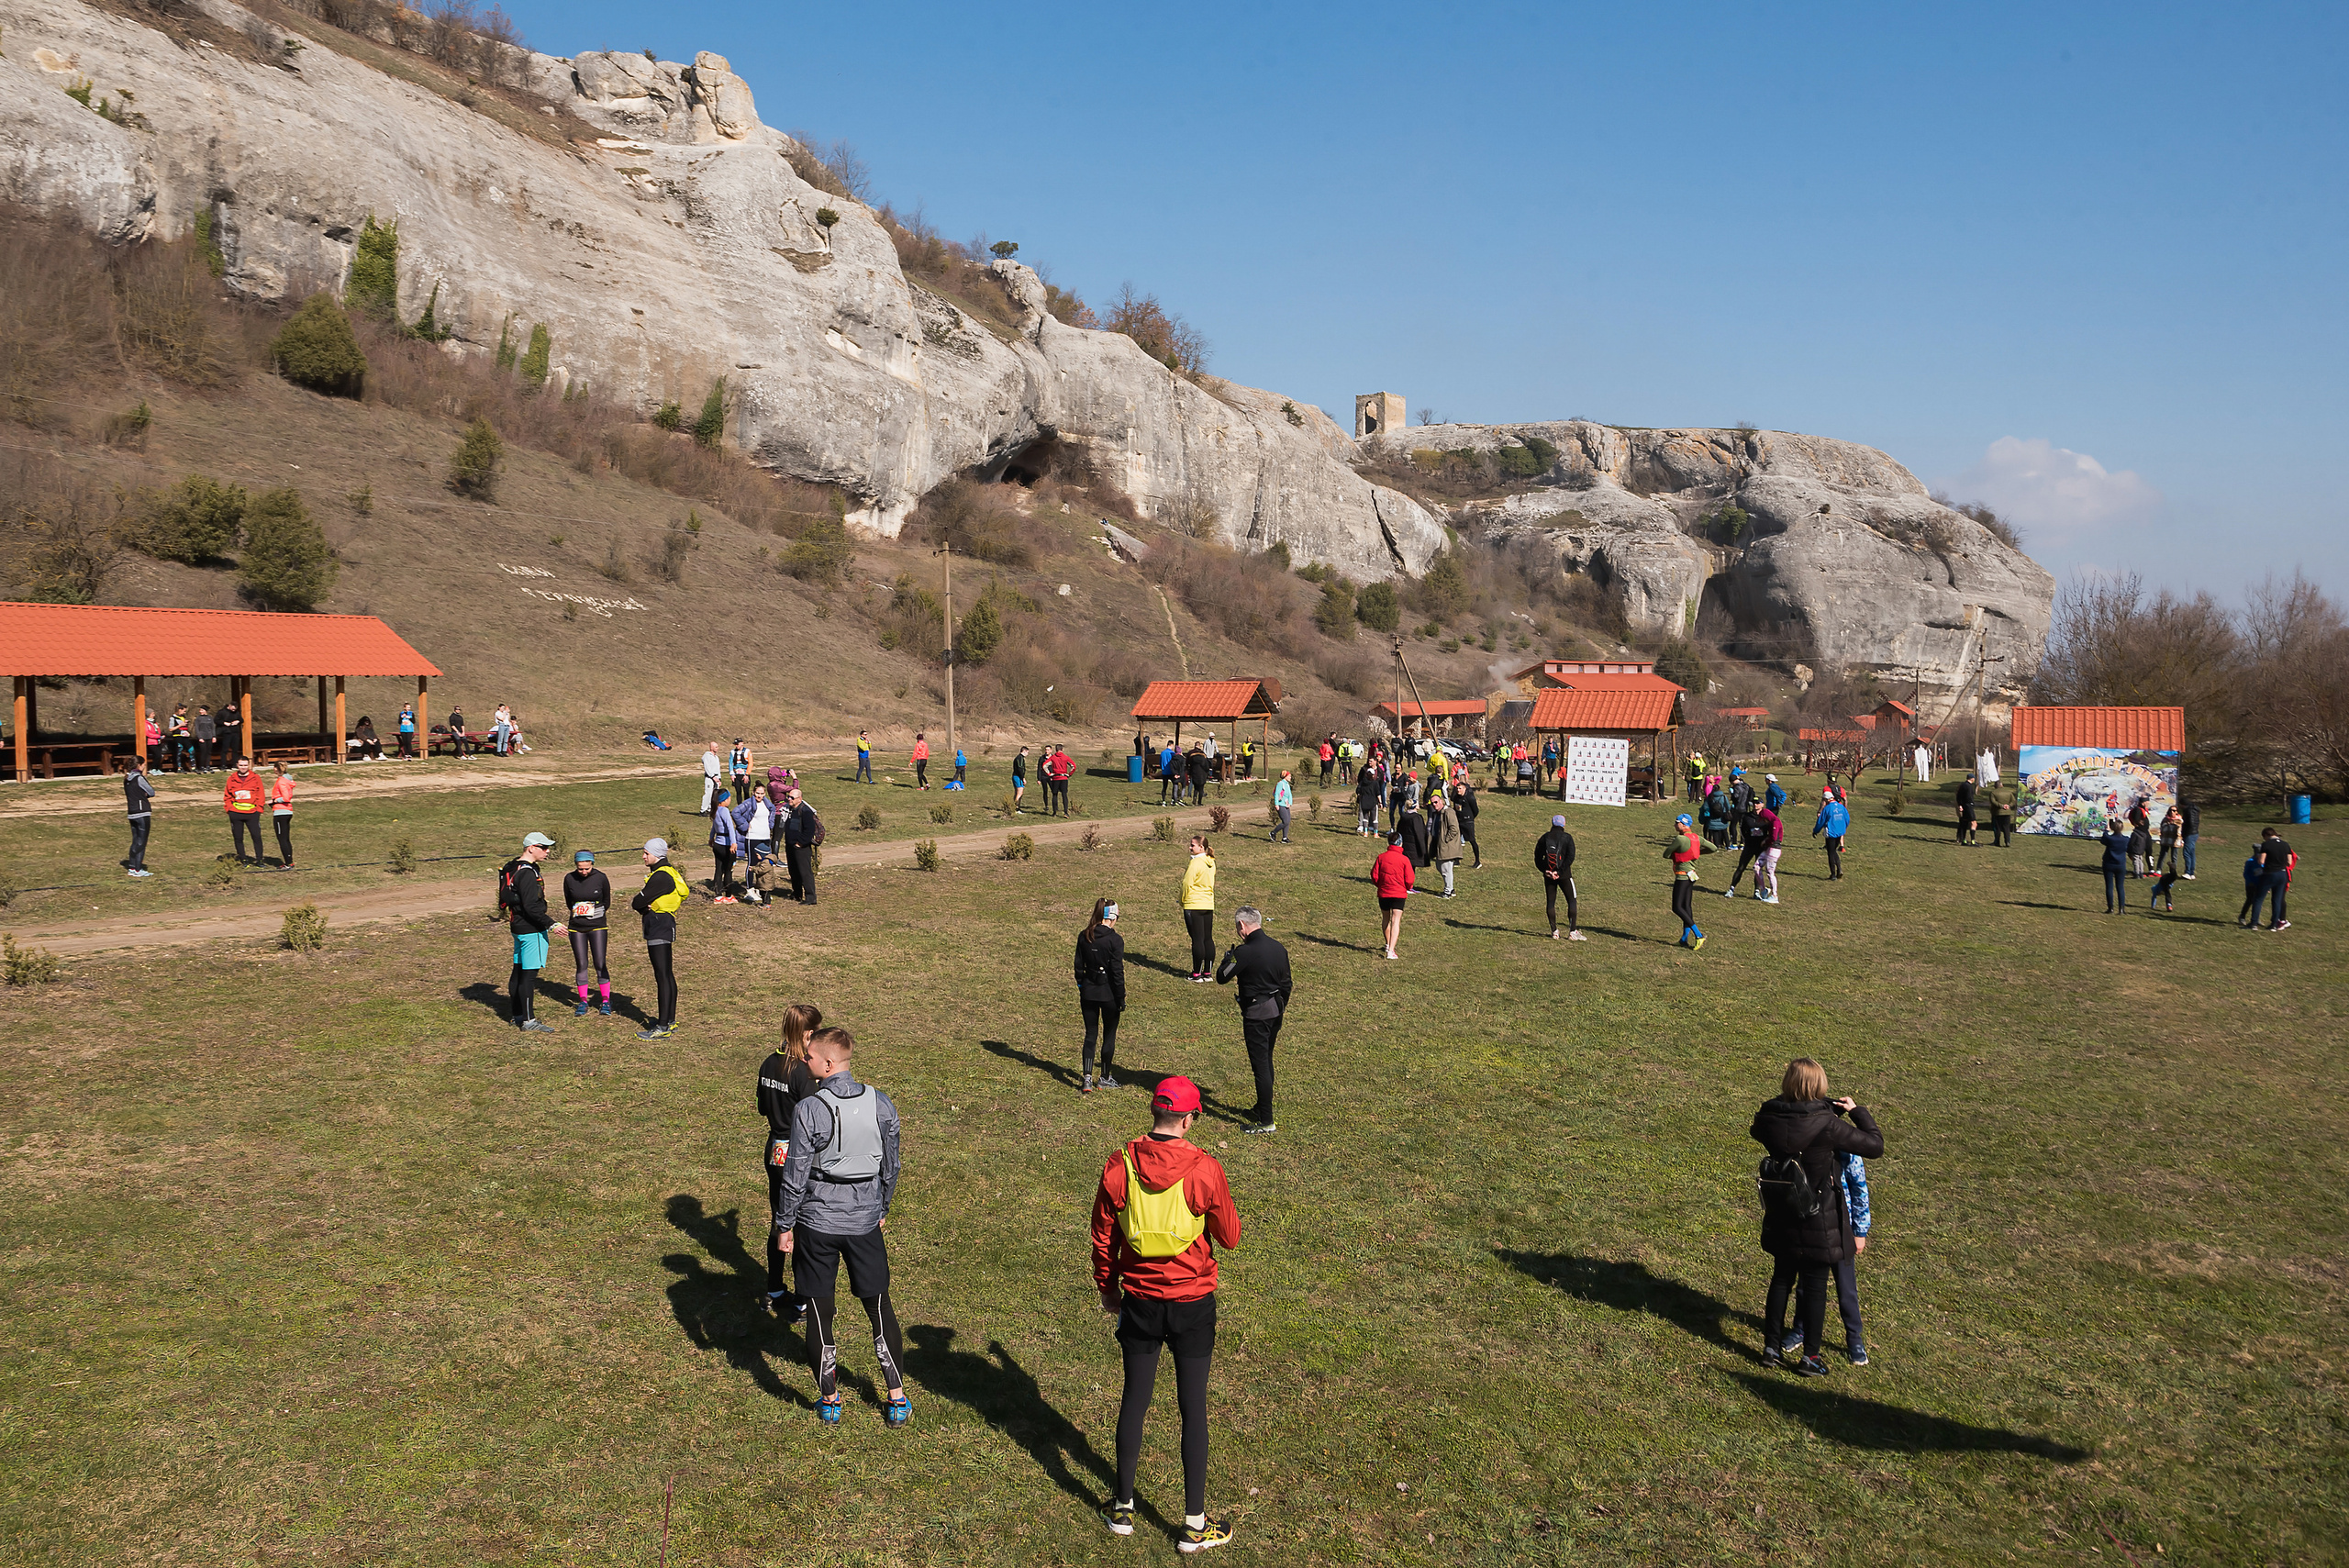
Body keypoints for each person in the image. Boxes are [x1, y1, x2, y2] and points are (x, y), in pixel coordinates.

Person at [1091, 1074, 1241, 1551]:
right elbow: (1230, 1237)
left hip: (1139, 1302)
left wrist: (1108, 1289)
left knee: (1134, 1399)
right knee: (1192, 1407)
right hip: (1192, 1303)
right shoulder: (1204, 1168)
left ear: (1155, 1112)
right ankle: (1194, 1526)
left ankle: (1122, 1508)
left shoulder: (1120, 1164)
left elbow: (1103, 1236)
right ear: (1190, 1119)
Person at [773, 1026, 909, 1427]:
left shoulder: (810, 1108)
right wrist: (882, 1205)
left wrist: (784, 1224)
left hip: (816, 1223)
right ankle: (896, 1398)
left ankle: (830, 1400)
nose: (804, 1060)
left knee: (819, 1309)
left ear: (829, 1063)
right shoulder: (881, 1103)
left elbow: (795, 1174)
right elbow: (892, 1164)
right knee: (879, 1306)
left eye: (810, 1056)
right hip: (865, 1222)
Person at [1752, 1058, 1883, 1375]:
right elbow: (1875, 1146)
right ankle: (1810, 1357)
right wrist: (1857, 1112)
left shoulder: (1769, 1117)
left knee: (1781, 1280)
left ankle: (1771, 1348)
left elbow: (1763, 1127)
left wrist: (1815, 1108)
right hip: (1818, 1219)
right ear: (1819, 1086)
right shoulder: (1828, 1126)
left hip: (1783, 1212)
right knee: (1814, 1287)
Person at [1776, 1146, 1874, 1366]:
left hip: (1841, 1227)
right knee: (1807, 1284)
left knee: (1846, 1287)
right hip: (1814, 1226)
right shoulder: (1808, 1141)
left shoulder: (1846, 1146)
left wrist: (1860, 1231)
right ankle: (1800, 1328)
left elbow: (1859, 1187)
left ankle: (1854, 1338)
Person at [756, 1003, 823, 1319]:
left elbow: (761, 1107)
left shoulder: (768, 1063)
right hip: (798, 1155)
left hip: (774, 1150)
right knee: (801, 1225)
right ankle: (802, 1299)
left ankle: (773, 1289)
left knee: (779, 1220)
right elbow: (814, 1119)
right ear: (807, 1034)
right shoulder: (802, 1072)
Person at [1214, 906, 1291, 1135]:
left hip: (1257, 1014)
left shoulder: (1244, 952)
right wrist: (1281, 1005)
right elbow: (1287, 983)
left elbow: (1222, 976)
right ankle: (1261, 1107)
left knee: (1260, 1067)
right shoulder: (1278, 947)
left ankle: (1266, 1120)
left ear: (1242, 925)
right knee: (1267, 1059)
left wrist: (1227, 959)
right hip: (1275, 1010)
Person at [497, 831, 566, 1033]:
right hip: (531, 929)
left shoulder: (513, 867)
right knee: (528, 976)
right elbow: (531, 907)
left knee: (518, 971)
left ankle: (517, 1015)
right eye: (543, 847)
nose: (548, 851)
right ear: (531, 848)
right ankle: (529, 1021)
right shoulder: (527, 873)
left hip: (517, 926)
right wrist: (551, 924)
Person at [630, 839, 688, 1039]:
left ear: (657, 854)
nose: (643, 856)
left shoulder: (661, 876)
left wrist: (641, 905)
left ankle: (662, 1026)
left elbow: (637, 902)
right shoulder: (668, 871)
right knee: (666, 974)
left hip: (658, 926)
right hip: (664, 924)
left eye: (646, 853)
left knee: (662, 976)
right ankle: (669, 1020)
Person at [1075, 897, 1127, 1092]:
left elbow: (1078, 966)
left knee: (1090, 1034)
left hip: (1088, 992)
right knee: (1109, 1035)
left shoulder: (1084, 936)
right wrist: (1121, 997)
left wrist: (1082, 985)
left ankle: (1087, 1078)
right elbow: (1117, 972)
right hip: (1109, 995)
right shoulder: (1115, 940)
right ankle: (1104, 1077)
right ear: (1113, 917)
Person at [563, 850, 615, 1016]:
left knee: (599, 963)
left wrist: (595, 913)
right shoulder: (569, 878)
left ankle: (605, 1000)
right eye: (580, 869)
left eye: (587, 868)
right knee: (581, 963)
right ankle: (583, 1001)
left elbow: (607, 901)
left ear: (592, 864)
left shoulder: (601, 877)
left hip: (597, 926)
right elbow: (569, 901)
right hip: (576, 927)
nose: (584, 872)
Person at [1535, 815, 1581, 940]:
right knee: (1572, 900)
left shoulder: (1545, 837)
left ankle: (1554, 931)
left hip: (1548, 875)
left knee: (1551, 902)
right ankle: (1572, 932)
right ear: (1563, 824)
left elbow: (1537, 856)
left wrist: (1545, 870)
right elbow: (1570, 857)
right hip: (1564, 875)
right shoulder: (1567, 838)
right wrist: (1559, 872)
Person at [1372, 828, 1415, 960]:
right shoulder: (1404, 860)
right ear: (1400, 843)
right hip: (1398, 894)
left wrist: (1381, 885)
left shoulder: (1381, 857)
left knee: (1385, 919)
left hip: (1384, 893)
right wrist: (1407, 887)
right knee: (1395, 920)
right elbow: (1410, 879)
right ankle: (1391, 950)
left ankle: (1387, 944)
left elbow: (1374, 875)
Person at [1180, 836, 1217, 981]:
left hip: (1194, 904)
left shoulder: (1195, 862)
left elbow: (1186, 883)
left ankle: (1196, 974)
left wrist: (1182, 900)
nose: (1190, 847)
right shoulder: (1211, 862)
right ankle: (1207, 972)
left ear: (1201, 847)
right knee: (1208, 938)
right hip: (1208, 904)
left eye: (1192, 845)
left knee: (1197, 940)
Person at [1670, 813, 1707, 951]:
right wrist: (1695, 853)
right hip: (1691, 876)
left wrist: (1680, 855)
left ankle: (1698, 935)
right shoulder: (1697, 838)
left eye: (1676, 822)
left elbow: (1666, 854)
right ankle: (1684, 939)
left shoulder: (1680, 839)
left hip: (1682, 877)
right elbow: (1713, 848)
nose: (1675, 825)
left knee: (1677, 907)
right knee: (1686, 907)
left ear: (1683, 824)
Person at [781, 785, 822, 906]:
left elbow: (809, 830)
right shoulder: (789, 810)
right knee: (793, 871)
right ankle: (797, 893)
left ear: (799, 799)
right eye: (789, 797)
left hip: (801, 848)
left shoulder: (805, 811)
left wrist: (801, 843)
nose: (789, 799)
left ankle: (810, 897)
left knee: (805, 872)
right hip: (790, 846)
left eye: (792, 798)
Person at [222, 756, 267, 865]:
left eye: (245, 765)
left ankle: (259, 860)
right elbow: (227, 795)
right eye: (241, 765)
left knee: (256, 837)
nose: (243, 767)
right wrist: (229, 809)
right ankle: (243, 860)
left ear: (249, 765)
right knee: (238, 837)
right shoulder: (231, 778)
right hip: (236, 813)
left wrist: (259, 809)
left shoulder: (255, 778)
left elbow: (261, 794)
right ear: (237, 765)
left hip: (252, 813)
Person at [739, 783, 775, 904]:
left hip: (765, 837)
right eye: (757, 793)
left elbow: (773, 811)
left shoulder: (767, 803)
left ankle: (761, 889)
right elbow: (735, 813)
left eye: (762, 793)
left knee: (764, 864)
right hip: (753, 837)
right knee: (752, 863)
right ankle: (750, 890)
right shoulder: (748, 803)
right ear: (753, 793)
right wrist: (744, 825)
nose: (759, 796)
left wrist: (770, 825)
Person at [2251, 826, 2293, 931]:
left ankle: (2254, 923)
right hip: (2282, 874)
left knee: (2259, 898)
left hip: (2270, 873)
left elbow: (2261, 861)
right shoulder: (2285, 844)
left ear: (2266, 835)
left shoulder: (2266, 845)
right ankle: (2274, 924)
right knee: (2277, 900)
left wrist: (2259, 857)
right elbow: (2289, 862)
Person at [707, 787, 742, 903]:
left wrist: (711, 838)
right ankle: (729, 895)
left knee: (718, 869)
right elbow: (730, 827)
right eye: (729, 798)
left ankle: (718, 895)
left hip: (717, 844)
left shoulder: (715, 810)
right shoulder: (725, 811)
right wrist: (733, 842)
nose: (730, 800)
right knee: (728, 870)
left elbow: (714, 827)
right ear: (724, 800)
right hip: (726, 845)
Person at [123, 752, 154, 878]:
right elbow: (151, 791)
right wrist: (145, 795)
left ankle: (132, 867)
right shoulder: (139, 778)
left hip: (132, 812)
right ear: (139, 765)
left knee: (136, 840)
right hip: (142, 812)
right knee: (142, 841)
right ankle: (137, 869)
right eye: (144, 765)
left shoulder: (127, 779)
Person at [1429, 789, 1465, 897]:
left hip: (1447, 846)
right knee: (1440, 867)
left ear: (1441, 801)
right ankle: (1451, 889)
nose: (1434, 804)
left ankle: (1447, 891)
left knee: (1446, 869)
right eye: (1432, 803)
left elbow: (1454, 829)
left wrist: (1445, 840)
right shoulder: (1437, 814)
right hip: (1440, 845)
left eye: (1436, 802)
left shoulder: (1448, 812)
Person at [1813, 788, 1850, 881]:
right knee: (1834, 851)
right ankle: (1839, 869)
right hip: (1840, 832)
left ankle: (1833, 874)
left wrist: (1816, 831)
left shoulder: (1827, 809)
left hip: (1831, 833)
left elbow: (1821, 821)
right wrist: (1843, 827)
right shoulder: (1841, 807)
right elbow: (1847, 819)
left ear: (1826, 799)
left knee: (1830, 853)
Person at [2098, 821, 2133, 913]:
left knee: (2109, 886)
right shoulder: (2126, 839)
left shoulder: (2110, 839)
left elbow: (2103, 840)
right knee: (2120, 887)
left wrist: (2106, 831)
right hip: (2120, 865)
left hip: (2109, 864)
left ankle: (2111, 908)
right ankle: (2121, 909)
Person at [1753, 804, 1784, 905]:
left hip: (1774, 849)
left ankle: (1775, 896)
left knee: (1770, 872)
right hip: (1768, 849)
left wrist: (1765, 841)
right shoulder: (1771, 823)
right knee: (1756, 867)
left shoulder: (1775, 822)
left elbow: (1774, 838)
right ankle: (1763, 890)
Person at [268, 762, 297, 869]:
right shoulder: (288, 780)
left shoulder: (281, 781)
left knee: (282, 839)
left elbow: (286, 798)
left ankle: (288, 863)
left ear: (277, 768)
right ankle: (289, 862)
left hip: (281, 812)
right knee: (285, 838)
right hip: (287, 811)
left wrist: (274, 801)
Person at [1451, 774, 1482, 868]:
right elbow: (1454, 805)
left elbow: (1475, 810)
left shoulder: (1470, 797)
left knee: (1472, 840)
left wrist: (1470, 818)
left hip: (1468, 822)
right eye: (1457, 788)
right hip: (1458, 821)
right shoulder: (1456, 797)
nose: (1458, 790)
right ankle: (1457, 860)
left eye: (1460, 788)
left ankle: (1477, 861)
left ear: (1464, 789)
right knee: (1456, 841)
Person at [1353, 753, 1384, 836]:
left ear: (1375, 761)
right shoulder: (1364, 769)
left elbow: (1381, 782)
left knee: (1367, 815)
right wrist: (1381, 802)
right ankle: (1373, 832)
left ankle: (1366, 830)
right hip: (1370, 798)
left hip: (1368, 797)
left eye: (1371, 761)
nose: (1369, 762)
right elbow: (1359, 780)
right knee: (1372, 816)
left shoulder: (1379, 771)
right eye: (1369, 761)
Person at [1987, 776, 2017, 848]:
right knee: (2006, 828)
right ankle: (2007, 841)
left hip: (1997, 813)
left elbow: (1993, 802)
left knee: (1997, 828)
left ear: (1995, 786)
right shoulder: (2009, 792)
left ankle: (1997, 842)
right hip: (2007, 812)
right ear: (2002, 785)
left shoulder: (1993, 793)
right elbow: (2013, 801)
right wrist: (2008, 806)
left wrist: (2001, 806)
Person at [2177, 793, 2200, 877]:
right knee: (2191, 853)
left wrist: (2184, 833)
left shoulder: (2188, 811)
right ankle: (2191, 872)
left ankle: (2188, 872)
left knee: (2186, 853)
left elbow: (2190, 823)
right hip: (2195, 833)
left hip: (2189, 834)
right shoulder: (2195, 809)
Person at [1954, 772, 1977, 845]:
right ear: (1972, 779)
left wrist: (1960, 805)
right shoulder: (1969, 786)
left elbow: (1959, 796)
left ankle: (1963, 839)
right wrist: (1971, 803)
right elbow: (1969, 797)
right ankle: (1973, 840)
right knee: (1974, 823)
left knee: (1964, 823)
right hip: (1968, 806)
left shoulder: (1962, 785)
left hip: (1964, 806)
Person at [2156, 808, 2183, 874]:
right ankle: (2159, 869)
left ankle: (2172, 870)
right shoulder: (2165, 819)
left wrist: (2182, 841)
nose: (2172, 812)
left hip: (2175, 840)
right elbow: (2161, 828)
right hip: (2165, 839)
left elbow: (2182, 831)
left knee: (2174, 856)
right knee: (2162, 855)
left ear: (2176, 812)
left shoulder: (2180, 820)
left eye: (2174, 811)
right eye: (2170, 810)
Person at [217, 699, 243, 766]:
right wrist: (224, 723)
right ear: (230, 706)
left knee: (235, 749)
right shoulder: (222, 712)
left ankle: (234, 763)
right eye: (233, 709)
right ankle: (223, 764)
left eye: (235, 709)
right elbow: (216, 720)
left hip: (235, 733)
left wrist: (238, 721)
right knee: (225, 749)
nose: (234, 710)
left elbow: (241, 720)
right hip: (226, 732)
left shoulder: (236, 713)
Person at [700, 740, 723, 815]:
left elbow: (718, 768)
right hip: (710, 777)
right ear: (711, 748)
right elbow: (707, 767)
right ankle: (703, 810)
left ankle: (710, 809)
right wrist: (712, 776)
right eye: (716, 747)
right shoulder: (707, 756)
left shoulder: (716, 757)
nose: (717, 748)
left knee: (714, 794)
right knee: (708, 793)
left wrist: (719, 778)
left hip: (716, 777)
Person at [193, 705, 217, 773]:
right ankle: (201, 766)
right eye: (200, 710)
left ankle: (207, 765)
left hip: (209, 736)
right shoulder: (198, 718)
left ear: (205, 711)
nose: (200, 711)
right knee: (203, 752)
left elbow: (212, 728)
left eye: (202, 710)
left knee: (208, 752)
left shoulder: (210, 718)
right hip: (202, 737)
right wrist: (200, 737)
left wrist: (214, 736)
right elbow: (197, 729)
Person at [1271, 770, 1293, 844]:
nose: (1290, 777)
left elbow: (1290, 795)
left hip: (1286, 805)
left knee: (1287, 821)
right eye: (1289, 776)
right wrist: (1276, 804)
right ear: (1285, 776)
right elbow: (1277, 794)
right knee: (1285, 821)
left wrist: (1290, 803)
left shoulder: (1287, 784)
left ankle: (1284, 838)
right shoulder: (1280, 784)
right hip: (1281, 805)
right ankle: (1273, 832)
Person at [168, 704, 192, 773]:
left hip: (185, 736)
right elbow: (171, 729)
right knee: (179, 752)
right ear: (179, 710)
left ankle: (193, 767)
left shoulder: (183, 717)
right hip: (177, 737)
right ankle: (179, 768)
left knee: (191, 750)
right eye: (184, 711)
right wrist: (180, 725)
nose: (184, 712)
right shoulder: (173, 718)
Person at [729, 739, 754, 803]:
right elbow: (730, 763)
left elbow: (750, 763)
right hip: (736, 774)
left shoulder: (747, 751)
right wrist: (732, 774)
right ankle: (739, 806)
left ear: (742, 743)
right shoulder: (733, 752)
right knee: (738, 792)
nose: (736, 745)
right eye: (735, 744)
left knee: (746, 791)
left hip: (744, 774)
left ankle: (747, 805)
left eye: (737, 744)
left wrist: (747, 774)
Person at [1186, 745, 1209, 809]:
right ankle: (1199, 802)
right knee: (1201, 789)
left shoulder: (1192, 759)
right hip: (1202, 775)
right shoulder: (1204, 759)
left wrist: (1190, 773)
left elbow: (1190, 766)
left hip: (1195, 774)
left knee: (1196, 788)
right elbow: (1207, 767)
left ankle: (1194, 797)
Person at [1158, 740, 1181, 806]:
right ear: (1172, 745)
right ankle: (1173, 799)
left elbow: (1160, 762)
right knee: (1174, 785)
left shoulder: (1162, 753)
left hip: (1164, 771)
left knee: (1164, 787)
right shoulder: (1172, 753)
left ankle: (1163, 800)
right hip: (1171, 772)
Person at [1012, 745, 1030, 813]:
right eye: (1027, 752)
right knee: (1020, 792)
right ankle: (1015, 808)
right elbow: (1020, 769)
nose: (1027, 754)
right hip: (1018, 777)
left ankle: (1017, 807)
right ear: (1024, 751)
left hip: (1017, 776)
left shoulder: (1019, 758)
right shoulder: (1020, 758)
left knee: (1017, 793)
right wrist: (1023, 778)